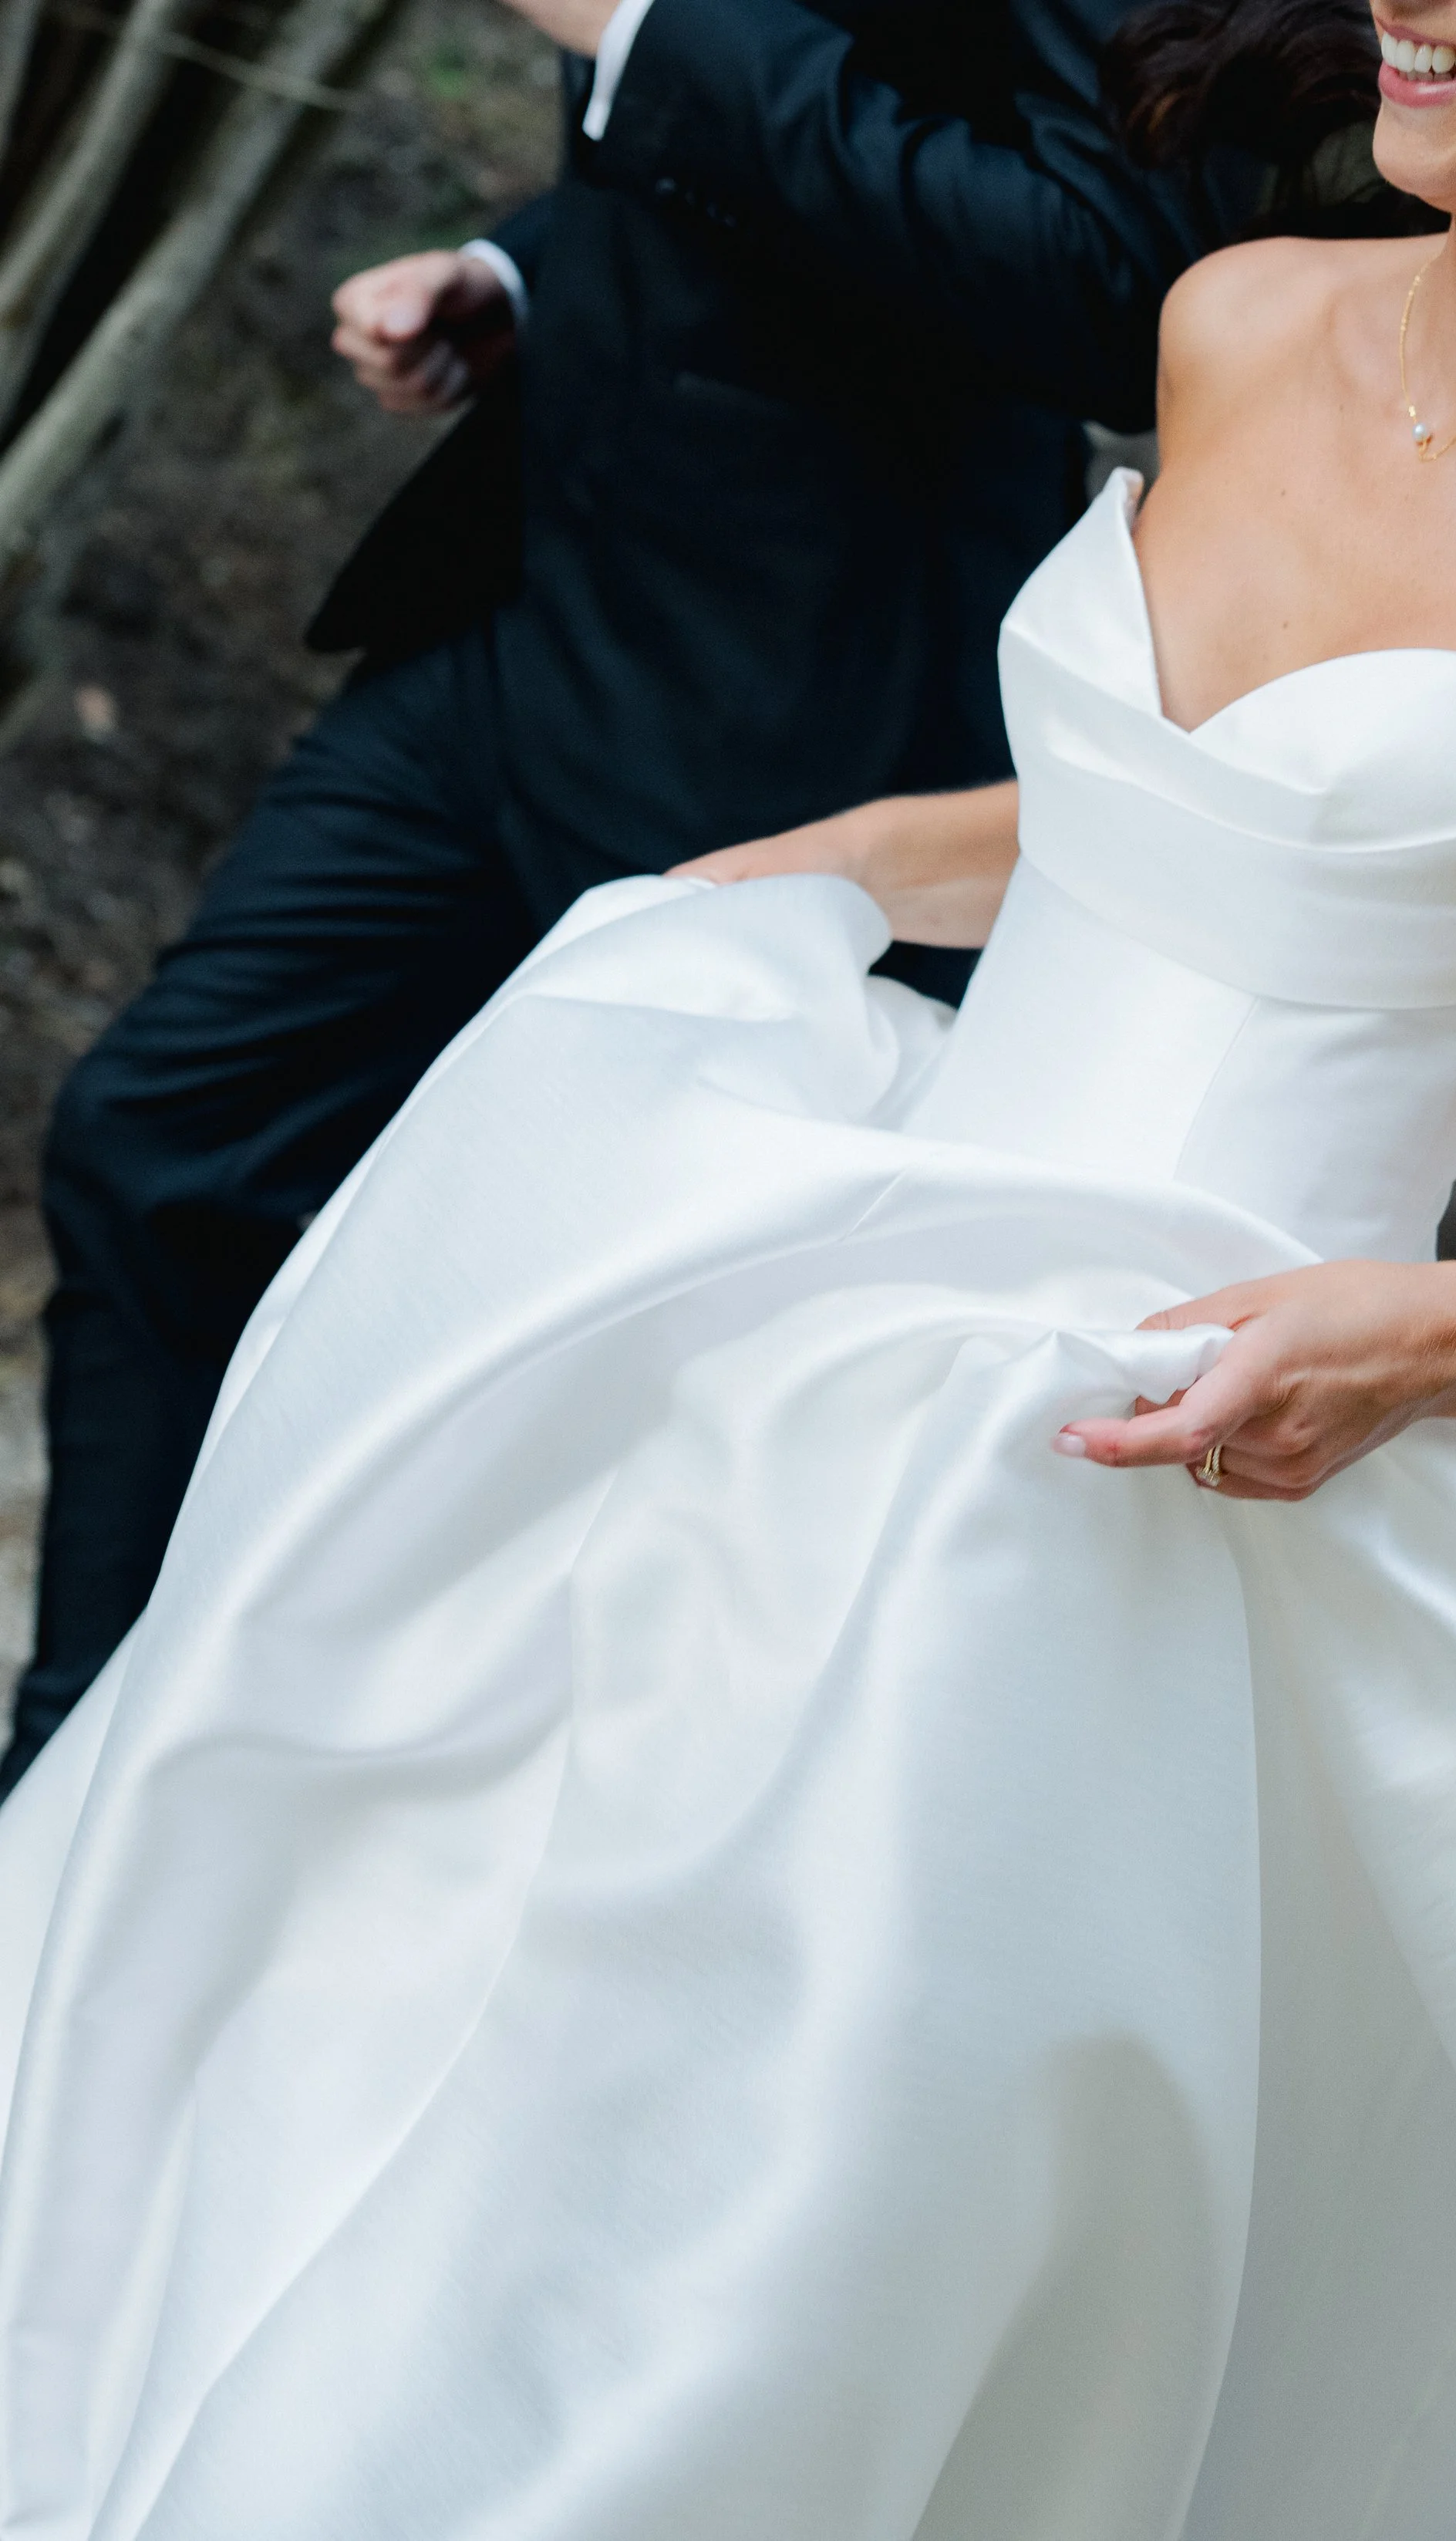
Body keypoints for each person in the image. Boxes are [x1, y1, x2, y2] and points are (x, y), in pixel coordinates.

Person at [3, 0, 1456, 2529]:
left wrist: (1445, 1335)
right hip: (836, 1276)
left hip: (1208, 1456)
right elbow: (1158, 819)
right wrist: (814, 870)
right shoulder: (1237, 322)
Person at [0, 0, 1249, 1794]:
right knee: (163, 1144)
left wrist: (641, 31)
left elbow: (1104, 281)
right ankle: (77, 1784)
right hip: (511, 618)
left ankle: (450, 1854)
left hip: (795, 712)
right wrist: (519, 274)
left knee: (629, 1357)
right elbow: (728, 183)